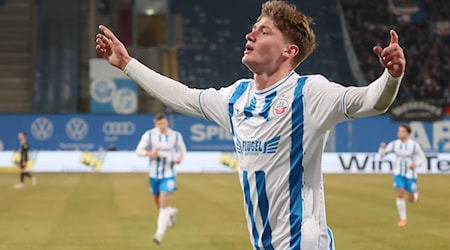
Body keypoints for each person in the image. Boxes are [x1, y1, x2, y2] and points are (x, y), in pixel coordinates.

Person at [96, 1, 406, 248]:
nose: (251, 35)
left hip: (304, 244)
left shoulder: (309, 94)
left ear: (289, 51)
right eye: (253, 29)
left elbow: (370, 101)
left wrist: (391, 77)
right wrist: (127, 64)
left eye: (264, 31)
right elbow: (183, 97)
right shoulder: (236, 98)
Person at [135, 113, 186, 244]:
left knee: (163, 205)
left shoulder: (176, 135)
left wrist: (180, 157)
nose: (162, 126)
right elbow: (139, 151)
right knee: (159, 205)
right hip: (154, 175)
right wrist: (150, 153)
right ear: (155, 124)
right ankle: (171, 212)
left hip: (169, 174)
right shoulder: (149, 135)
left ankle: (159, 235)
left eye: (163, 123)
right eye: (159, 124)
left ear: (167, 123)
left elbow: (183, 149)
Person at [378, 124, 425, 227]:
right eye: (399, 131)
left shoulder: (414, 145)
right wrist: (382, 148)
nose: (399, 133)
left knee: (411, 200)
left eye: (402, 131)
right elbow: (382, 155)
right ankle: (403, 219)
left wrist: (415, 164)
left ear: (408, 133)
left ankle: (414, 194)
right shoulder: (394, 144)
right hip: (398, 173)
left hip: (410, 174)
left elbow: (422, 157)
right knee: (400, 193)